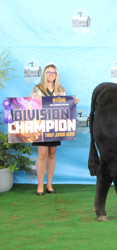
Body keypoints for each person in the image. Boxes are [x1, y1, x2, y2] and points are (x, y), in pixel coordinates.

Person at [30, 63, 79, 196]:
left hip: (55, 126)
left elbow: (64, 108)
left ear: (56, 75)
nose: (51, 75)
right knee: (42, 155)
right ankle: (40, 186)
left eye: (53, 73)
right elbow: (31, 107)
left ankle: (49, 185)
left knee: (52, 154)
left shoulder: (61, 90)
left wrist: (73, 102)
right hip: (41, 127)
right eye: (48, 72)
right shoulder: (37, 89)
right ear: (44, 74)